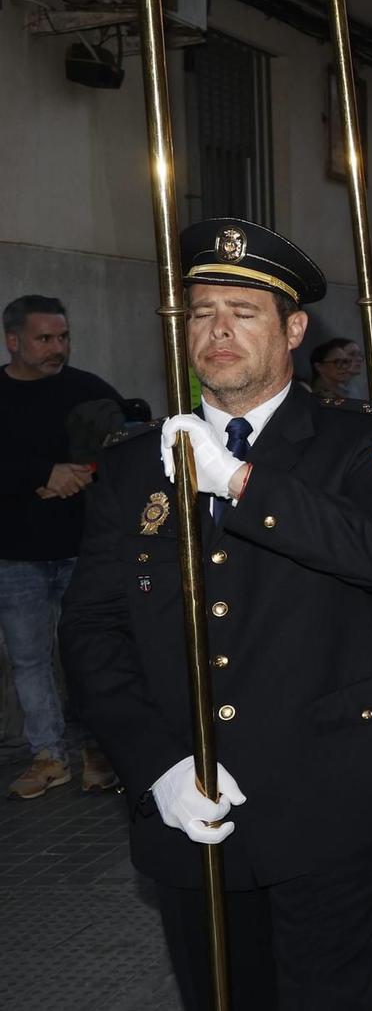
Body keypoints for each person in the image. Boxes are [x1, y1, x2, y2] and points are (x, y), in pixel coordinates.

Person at [61, 218, 372, 1009]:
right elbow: (93, 630)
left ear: (294, 330)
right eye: (202, 312)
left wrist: (238, 480)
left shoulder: (360, 438)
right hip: (192, 802)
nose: (219, 331)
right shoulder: (133, 466)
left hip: (328, 797)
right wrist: (156, 764)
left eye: (243, 312)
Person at [2, 294, 124, 799]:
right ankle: (49, 757)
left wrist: (83, 473)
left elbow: (127, 445)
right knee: (29, 660)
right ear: (13, 341)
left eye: (63, 337)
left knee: (88, 655)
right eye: (45, 338)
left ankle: (99, 752)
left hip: (83, 550)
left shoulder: (88, 389)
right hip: (14, 555)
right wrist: (41, 475)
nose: (58, 347)